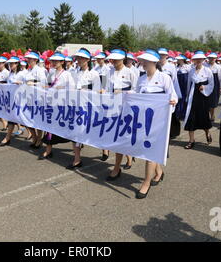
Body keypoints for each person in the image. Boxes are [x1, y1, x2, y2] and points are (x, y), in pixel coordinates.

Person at [133, 50, 177, 199]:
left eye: (145, 61)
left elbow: (173, 96)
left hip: (159, 121)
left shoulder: (165, 78)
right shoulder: (141, 79)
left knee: (149, 151)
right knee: (148, 148)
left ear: (153, 62)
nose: (142, 63)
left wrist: (172, 102)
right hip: (144, 120)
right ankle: (158, 172)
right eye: (142, 61)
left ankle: (146, 182)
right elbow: (137, 97)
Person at [104, 48, 138, 178]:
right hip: (113, 108)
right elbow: (105, 88)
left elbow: (136, 90)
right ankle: (120, 163)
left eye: (116, 60)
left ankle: (119, 166)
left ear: (123, 59)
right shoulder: (109, 72)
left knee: (125, 135)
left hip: (126, 108)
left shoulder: (130, 72)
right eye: (112, 59)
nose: (113, 62)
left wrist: (123, 93)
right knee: (116, 135)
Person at [67, 48, 101, 169]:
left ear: (88, 59)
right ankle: (77, 159)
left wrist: (86, 91)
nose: (79, 60)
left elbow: (99, 91)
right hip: (76, 106)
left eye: (82, 58)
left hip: (88, 108)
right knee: (75, 133)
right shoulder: (74, 72)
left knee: (92, 133)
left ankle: (104, 151)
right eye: (78, 58)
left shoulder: (94, 73)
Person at [40, 53, 74, 159]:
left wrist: (62, 88)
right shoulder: (51, 73)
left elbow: (72, 89)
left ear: (62, 62)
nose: (54, 63)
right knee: (49, 126)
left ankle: (76, 149)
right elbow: (48, 85)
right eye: (52, 61)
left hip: (62, 105)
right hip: (51, 103)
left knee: (64, 126)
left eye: (56, 61)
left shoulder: (67, 74)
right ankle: (48, 150)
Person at [184, 51, 214, 149]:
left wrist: (204, 87)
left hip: (203, 97)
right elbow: (189, 84)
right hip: (193, 97)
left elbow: (212, 84)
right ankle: (191, 140)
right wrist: (188, 96)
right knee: (191, 117)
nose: (198, 61)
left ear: (203, 60)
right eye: (196, 59)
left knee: (204, 117)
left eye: (200, 60)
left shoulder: (207, 70)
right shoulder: (191, 71)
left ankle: (207, 133)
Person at [0, 56, 26, 147]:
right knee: (11, 119)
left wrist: (20, 83)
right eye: (9, 64)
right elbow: (8, 84)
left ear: (17, 64)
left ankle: (35, 138)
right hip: (11, 100)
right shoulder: (10, 74)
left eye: (12, 64)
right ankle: (7, 138)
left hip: (20, 100)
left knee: (26, 120)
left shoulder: (22, 74)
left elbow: (28, 85)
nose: (10, 65)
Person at [22, 51, 47, 148]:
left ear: (36, 60)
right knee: (27, 118)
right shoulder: (28, 70)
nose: (28, 61)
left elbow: (44, 83)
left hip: (37, 98)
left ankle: (39, 139)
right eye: (28, 59)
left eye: (31, 59)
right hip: (27, 97)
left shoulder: (39, 70)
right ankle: (35, 137)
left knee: (37, 120)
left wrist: (33, 84)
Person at [204, 53, 221, 122]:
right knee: (206, 100)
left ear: (215, 59)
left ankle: (212, 115)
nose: (212, 59)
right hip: (206, 84)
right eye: (210, 58)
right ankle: (207, 115)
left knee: (213, 101)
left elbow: (220, 78)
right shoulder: (205, 66)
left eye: (213, 58)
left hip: (215, 85)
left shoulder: (218, 67)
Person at [175, 55, 190, 121]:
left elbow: (189, 77)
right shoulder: (176, 67)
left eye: (180, 59)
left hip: (184, 85)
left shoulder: (187, 67)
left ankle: (183, 114)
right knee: (178, 98)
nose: (178, 60)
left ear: (183, 60)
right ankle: (178, 114)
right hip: (178, 84)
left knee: (184, 98)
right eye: (178, 59)